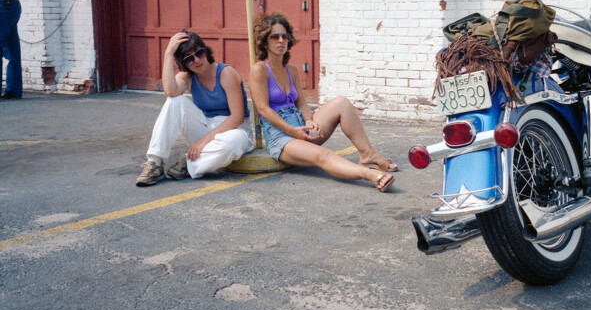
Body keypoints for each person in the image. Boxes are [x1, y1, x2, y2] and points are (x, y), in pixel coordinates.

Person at [250, 14, 397, 192]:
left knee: (341, 103)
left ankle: (367, 154)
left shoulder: (292, 70)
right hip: (281, 137)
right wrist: (291, 131)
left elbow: (301, 103)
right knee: (322, 155)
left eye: (284, 36)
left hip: (300, 127)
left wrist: (309, 120)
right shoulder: (259, 70)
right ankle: (371, 175)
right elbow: (263, 109)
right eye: (274, 36)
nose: (281, 40)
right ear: (264, 41)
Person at [136, 30, 253, 186]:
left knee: (235, 141)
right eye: (189, 59)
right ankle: (155, 163)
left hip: (233, 130)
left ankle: (189, 163)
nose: (196, 60)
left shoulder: (226, 73)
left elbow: (237, 117)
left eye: (199, 53)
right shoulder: (187, 78)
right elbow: (170, 91)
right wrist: (168, 53)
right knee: (174, 101)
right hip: (205, 125)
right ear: (183, 64)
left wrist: (202, 142)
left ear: (206, 51)